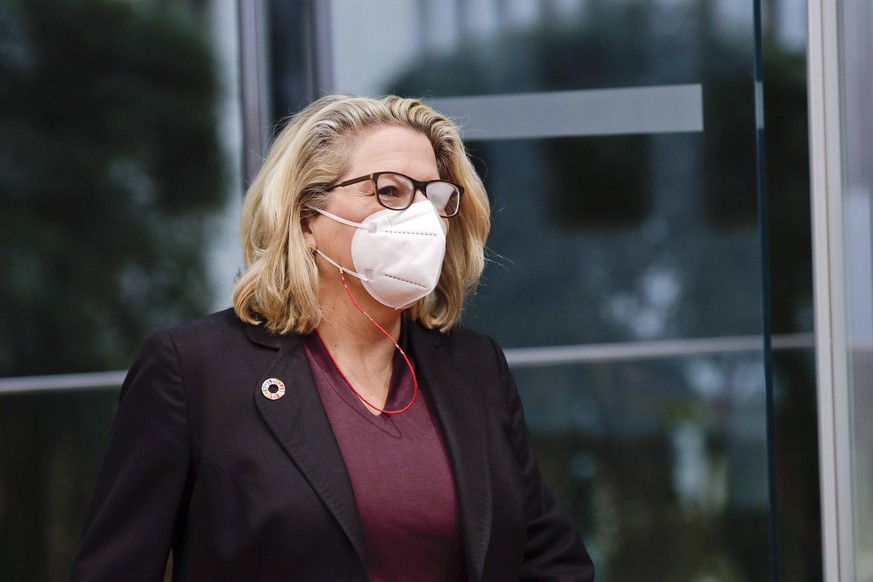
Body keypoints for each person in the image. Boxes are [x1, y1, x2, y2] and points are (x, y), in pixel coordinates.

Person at [70, 95, 595, 581]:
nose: (421, 216)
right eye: (389, 190)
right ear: (304, 215)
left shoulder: (473, 366)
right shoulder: (193, 369)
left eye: (436, 197)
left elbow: (551, 561)